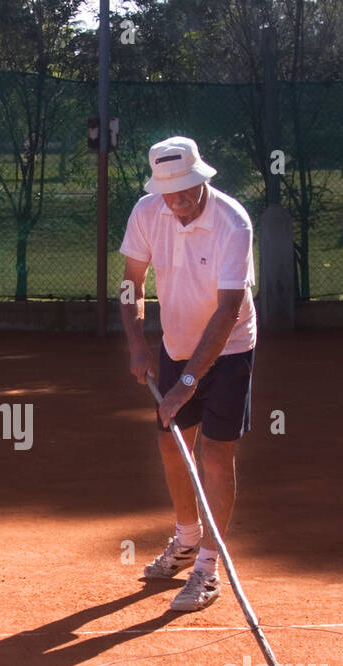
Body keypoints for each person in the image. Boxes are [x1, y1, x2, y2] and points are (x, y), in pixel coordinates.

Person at [118, 136, 257, 612]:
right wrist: (138, 343)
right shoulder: (147, 211)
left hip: (230, 348)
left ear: (202, 180)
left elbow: (227, 312)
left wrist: (185, 384)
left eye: (185, 191)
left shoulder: (233, 222)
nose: (175, 202)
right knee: (171, 443)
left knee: (215, 456)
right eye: (167, 192)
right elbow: (129, 282)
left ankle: (208, 567)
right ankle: (185, 538)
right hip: (177, 343)